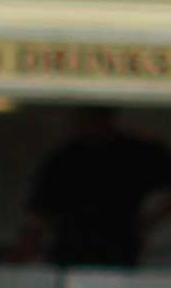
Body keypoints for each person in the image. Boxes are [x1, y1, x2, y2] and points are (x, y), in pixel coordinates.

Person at [22, 106, 171, 273]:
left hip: (119, 245)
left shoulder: (138, 152)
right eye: (85, 119)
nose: (89, 125)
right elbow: (39, 213)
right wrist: (27, 249)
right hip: (72, 248)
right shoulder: (64, 159)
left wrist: (148, 221)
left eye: (93, 118)